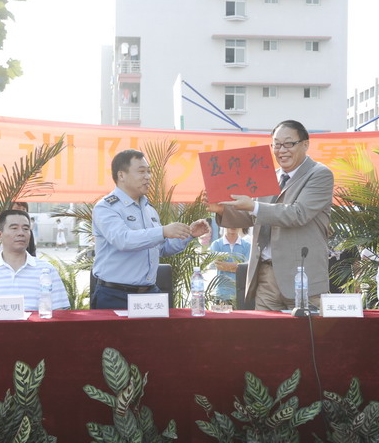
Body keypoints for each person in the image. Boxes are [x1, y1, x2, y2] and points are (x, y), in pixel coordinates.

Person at [206, 119, 334, 311]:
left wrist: (253, 206)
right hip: (266, 275)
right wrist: (222, 209)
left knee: (305, 330)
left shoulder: (319, 174)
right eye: (276, 145)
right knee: (265, 329)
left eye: (289, 144)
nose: (282, 150)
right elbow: (254, 215)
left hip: (302, 277)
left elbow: (298, 214)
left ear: (305, 144)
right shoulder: (269, 176)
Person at [92, 149, 210, 309]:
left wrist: (189, 234)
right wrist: (163, 231)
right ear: (121, 175)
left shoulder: (149, 209)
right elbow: (123, 240)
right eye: (141, 172)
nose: (148, 177)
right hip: (115, 295)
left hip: (149, 294)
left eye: (149, 172)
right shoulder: (106, 207)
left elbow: (161, 249)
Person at [0, 210, 69, 311]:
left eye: (26, 229)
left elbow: (59, 314)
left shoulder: (47, 270)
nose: (21, 233)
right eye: (14, 228)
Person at [209, 228, 251, 305]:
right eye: (229, 223)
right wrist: (239, 266)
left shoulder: (247, 246)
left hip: (241, 293)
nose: (232, 226)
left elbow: (247, 268)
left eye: (235, 223)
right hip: (222, 293)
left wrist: (225, 265)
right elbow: (218, 265)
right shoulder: (216, 244)